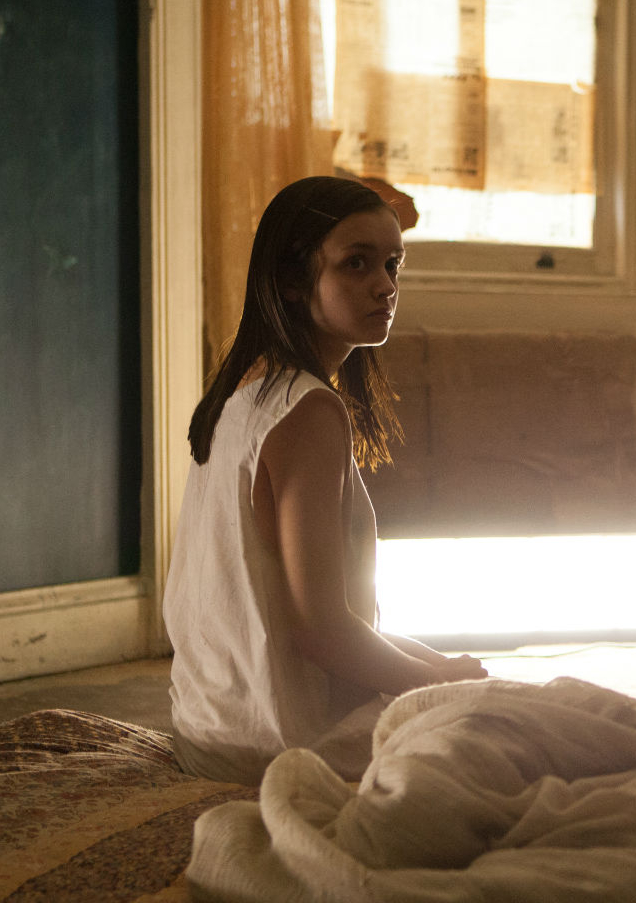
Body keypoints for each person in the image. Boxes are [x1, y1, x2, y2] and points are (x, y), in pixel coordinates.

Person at [164, 176, 486, 785]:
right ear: (292, 280)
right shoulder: (306, 410)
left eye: (392, 264)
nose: (386, 286)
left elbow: (314, 620)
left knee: (496, 703)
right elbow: (323, 633)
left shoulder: (246, 389)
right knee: (545, 732)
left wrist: (437, 667)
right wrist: (435, 683)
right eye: (356, 263)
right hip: (278, 742)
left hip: (210, 725)